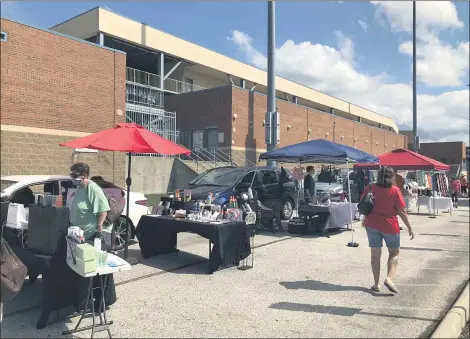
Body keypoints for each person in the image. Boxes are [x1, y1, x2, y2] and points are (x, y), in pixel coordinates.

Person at [361, 166, 415, 294]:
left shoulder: (370, 188)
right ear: (392, 177)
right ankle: (389, 278)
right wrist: (410, 228)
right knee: (394, 252)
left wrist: (364, 218)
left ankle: (375, 284)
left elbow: (363, 203)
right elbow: (401, 211)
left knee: (375, 254)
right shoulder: (395, 190)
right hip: (389, 225)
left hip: (372, 223)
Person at [69, 162, 111, 245]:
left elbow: (103, 210)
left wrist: (99, 227)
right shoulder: (79, 187)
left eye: (75, 176)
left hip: (90, 234)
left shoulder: (92, 188)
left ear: (84, 175)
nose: (72, 178)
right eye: (71, 175)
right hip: (78, 233)